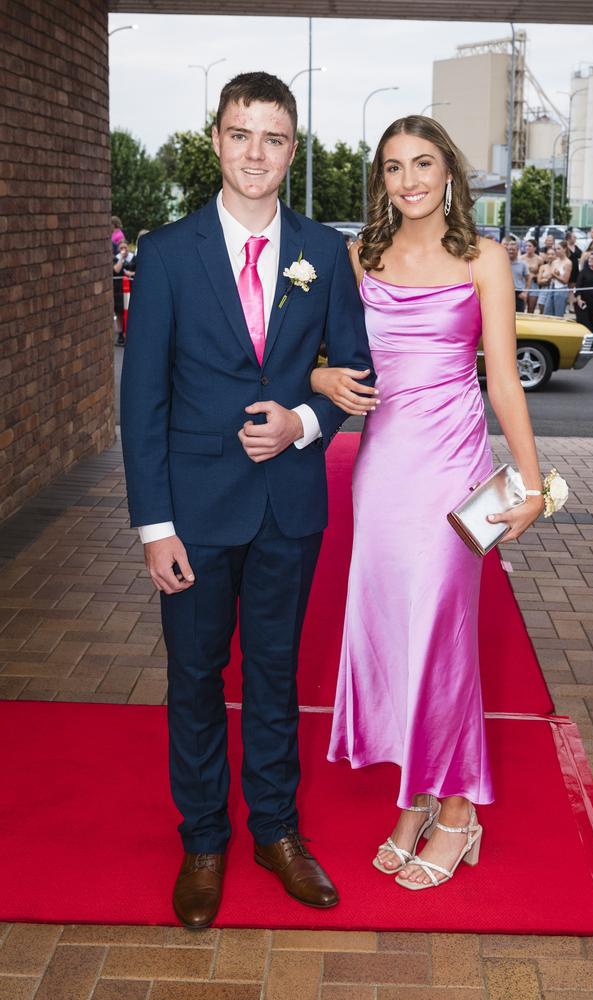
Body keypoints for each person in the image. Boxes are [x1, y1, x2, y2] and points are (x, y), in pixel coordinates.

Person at [120, 71, 374, 928]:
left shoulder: (324, 252)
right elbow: (141, 400)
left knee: (273, 676)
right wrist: (155, 527)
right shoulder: (164, 253)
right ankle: (203, 841)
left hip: (288, 506)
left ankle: (276, 832)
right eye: (240, 134)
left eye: (272, 137)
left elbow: (354, 373)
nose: (254, 152)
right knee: (195, 677)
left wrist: (304, 422)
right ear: (217, 141)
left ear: (291, 149)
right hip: (192, 512)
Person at [311, 115, 544, 891]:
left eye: (423, 163)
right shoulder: (359, 257)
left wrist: (533, 482)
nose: (407, 180)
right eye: (392, 167)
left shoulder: (486, 257)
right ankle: (414, 798)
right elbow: (315, 356)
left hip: (454, 473)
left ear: (450, 171)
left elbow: (503, 379)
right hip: (380, 472)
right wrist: (318, 381)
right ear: (381, 180)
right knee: (391, 635)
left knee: (443, 638)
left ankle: (456, 812)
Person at [113, 240, 135, 345]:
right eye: (121, 248)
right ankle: (121, 334)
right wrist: (121, 258)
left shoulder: (133, 258)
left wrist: (132, 273)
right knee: (119, 312)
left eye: (125, 248)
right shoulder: (116, 258)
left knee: (131, 311)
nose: (124, 250)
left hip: (131, 288)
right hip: (118, 290)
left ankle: (130, 333)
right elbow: (116, 270)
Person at [546, 240, 572, 317]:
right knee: (547, 312)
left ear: (564, 249)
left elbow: (565, 281)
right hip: (552, 287)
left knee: (558, 314)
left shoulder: (568, 263)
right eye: (556, 249)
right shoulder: (555, 262)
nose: (557, 251)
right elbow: (550, 276)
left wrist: (555, 275)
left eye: (559, 249)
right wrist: (552, 275)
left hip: (561, 290)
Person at [505, 239, 529, 311]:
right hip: (505, 292)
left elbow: (528, 279)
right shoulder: (502, 263)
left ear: (517, 250)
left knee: (519, 316)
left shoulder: (523, 264)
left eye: (513, 249)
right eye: (509, 249)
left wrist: (525, 292)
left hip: (519, 293)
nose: (511, 251)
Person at [521, 238, 542, 313]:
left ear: (534, 248)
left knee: (531, 309)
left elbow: (541, 273)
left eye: (530, 246)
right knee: (521, 308)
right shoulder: (521, 258)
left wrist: (534, 276)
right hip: (523, 284)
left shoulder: (539, 259)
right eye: (526, 246)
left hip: (534, 285)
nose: (527, 247)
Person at [536, 246, 555, 315]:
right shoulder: (543, 267)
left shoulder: (558, 266)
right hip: (544, 290)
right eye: (548, 254)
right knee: (542, 311)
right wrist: (547, 280)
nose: (550, 256)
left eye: (552, 254)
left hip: (554, 291)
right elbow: (539, 281)